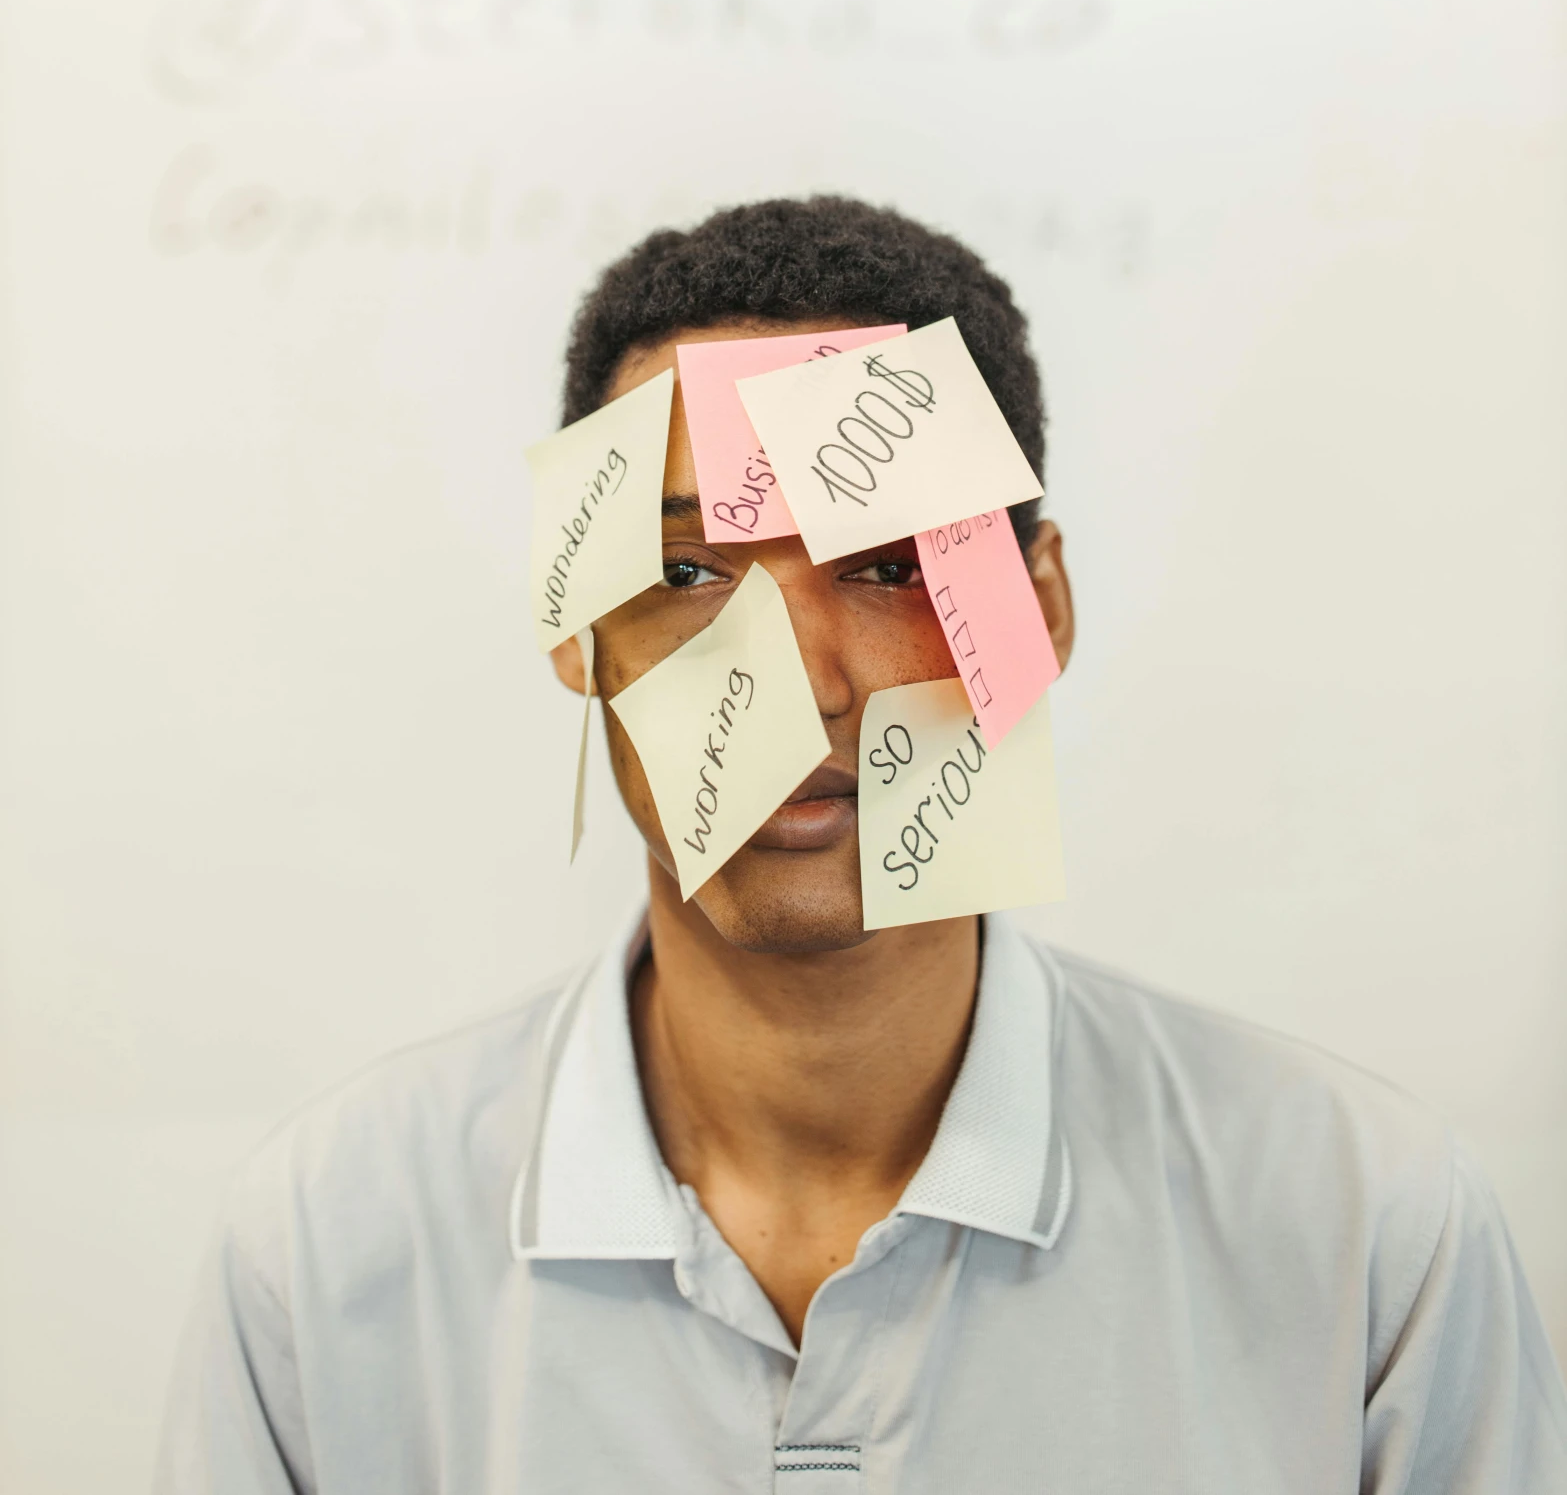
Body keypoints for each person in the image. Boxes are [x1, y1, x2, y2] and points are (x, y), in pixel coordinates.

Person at [157, 195, 1567, 1492]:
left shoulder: (1363, 1228)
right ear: (581, 632)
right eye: (691, 572)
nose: (803, 679)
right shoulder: (327, 1249)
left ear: (1040, 606)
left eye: (892, 563)